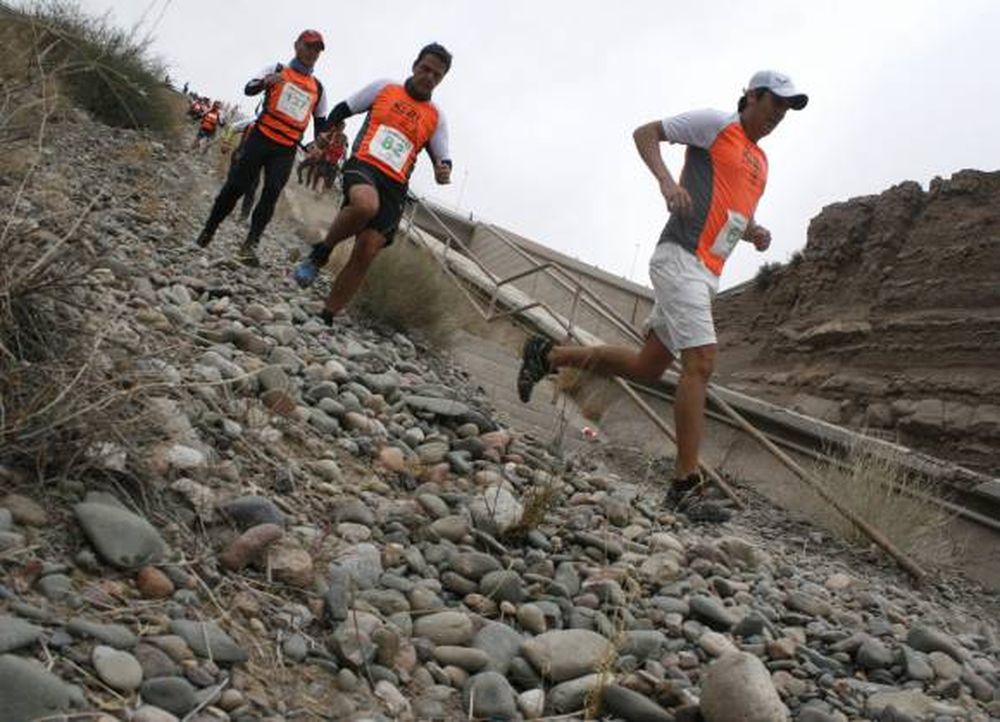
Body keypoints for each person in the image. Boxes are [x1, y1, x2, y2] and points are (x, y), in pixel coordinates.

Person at [517, 70, 807, 511]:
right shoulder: (716, 123)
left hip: (707, 271)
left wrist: (753, 232)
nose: (778, 117)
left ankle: (548, 356)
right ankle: (684, 485)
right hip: (680, 258)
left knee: (647, 366)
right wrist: (667, 183)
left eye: (785, 111)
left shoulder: (761, 163)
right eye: (774, 105)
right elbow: (646, 132)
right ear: (752, 96)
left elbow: (730, 213)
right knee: (702, 362)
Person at [292, 43, 454, 324]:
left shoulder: (436, 118)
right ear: (415, 65)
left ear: (441, 80)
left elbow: (444, 158)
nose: (429, 77)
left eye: (436, 75)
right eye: (425, 69)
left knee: (367, 249)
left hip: (396, 184)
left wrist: (444, 171)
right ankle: (321, 253)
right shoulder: (385, 88)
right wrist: (325, 134)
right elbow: (343, 109)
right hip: (365, 164)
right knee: (366, 206)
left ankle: (327, 315)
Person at [194, 30, 329, 266]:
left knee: (271, 194)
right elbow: (248, 88)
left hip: (286, 149)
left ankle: (250, 245)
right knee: (236, 185)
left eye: (317, 50)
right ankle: (209, 228)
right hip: (260, 138)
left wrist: (319, 144)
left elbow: (321, 125)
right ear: (297, 45)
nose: (312, 53)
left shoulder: (318, 88)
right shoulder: (277, 69)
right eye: (309, 47)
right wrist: (265, 83)